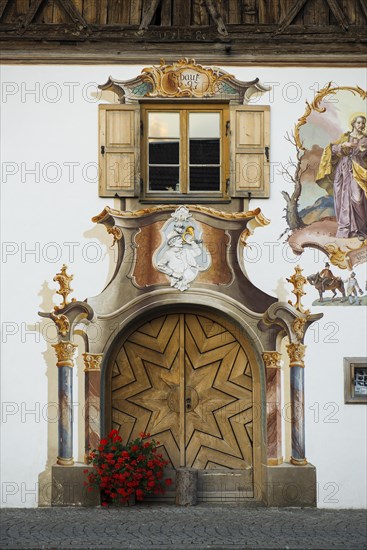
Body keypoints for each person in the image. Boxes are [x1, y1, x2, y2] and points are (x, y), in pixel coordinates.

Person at [316, 115, 367, 239]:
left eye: (363, 123)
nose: (361, 125)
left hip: (357, 169)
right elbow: (331, 149)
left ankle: (361, 228)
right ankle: (348, 229)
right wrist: (344, 145)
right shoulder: (345, 137)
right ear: (353, 124)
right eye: (359, 123)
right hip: (343, 170)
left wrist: (362, 150)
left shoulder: (365, 139)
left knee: (357, 198)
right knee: (343, 198)